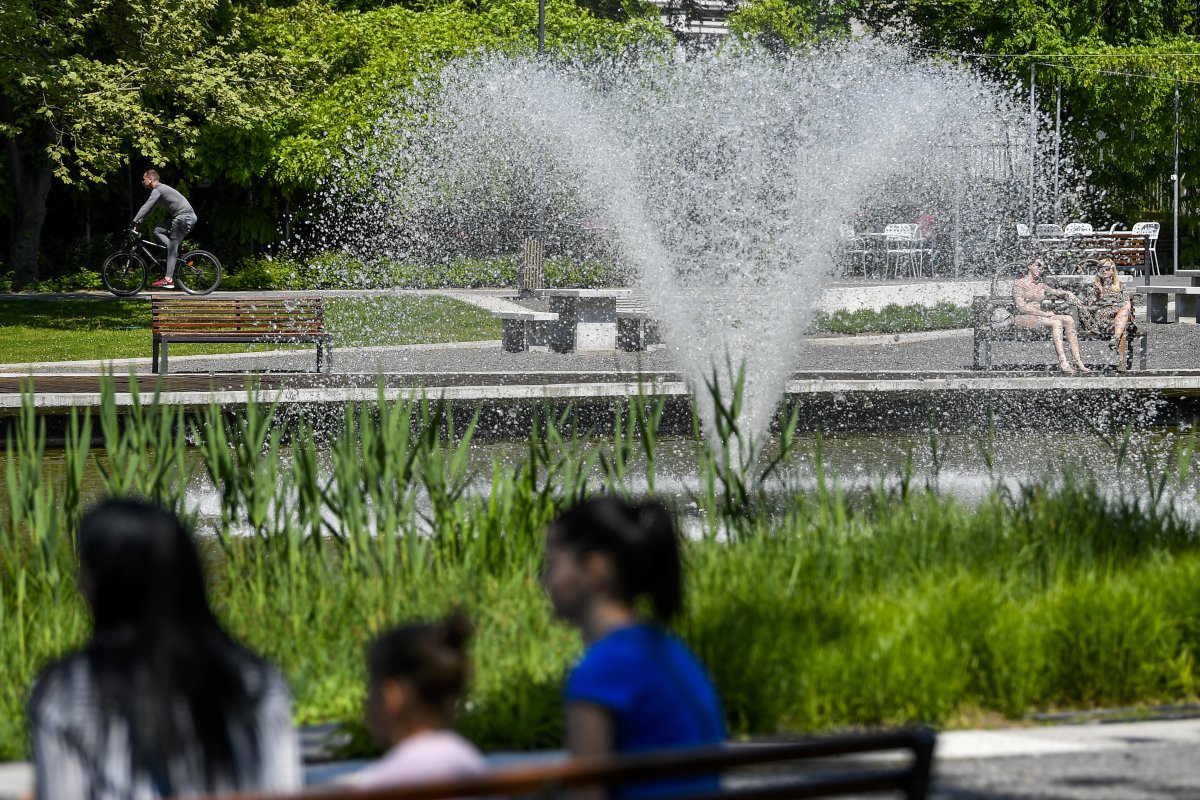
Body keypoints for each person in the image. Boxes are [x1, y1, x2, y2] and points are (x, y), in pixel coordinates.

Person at [28, 499, 301, 799]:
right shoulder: (255, 683)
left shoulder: (67, 692)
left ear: (103, 585)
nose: (80, 582)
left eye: (86, 569)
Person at [543, 496, 725, 799]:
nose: (546, 580)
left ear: (593, 569)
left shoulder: (604, 669)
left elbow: (586, 795)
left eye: (553, 564)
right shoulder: (670, 650)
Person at [351, 612, 488, 791]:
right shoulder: (471, 764)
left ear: (392, 696)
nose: (367, 702)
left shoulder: (382, 784)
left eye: (371, 689)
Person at [1012, 255, 1090, 374]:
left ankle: (1077, 360)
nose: (1041, 269)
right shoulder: (1019, 284)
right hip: (1024, 317)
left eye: (1043, 267)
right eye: (1038, 265)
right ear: (1029, 266)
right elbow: (1021, 307)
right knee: (1056, 322)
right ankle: (1063, 362)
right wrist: (1044, 313)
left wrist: (1068, 293)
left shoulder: (1040, 285)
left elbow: (1056, 292)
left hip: (1040, 316)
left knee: (1069, 319)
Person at [131, 170, 198, 290]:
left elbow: (145, 207)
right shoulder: (159, 191)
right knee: (157, 230)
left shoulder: (158, 190)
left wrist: (133, 221)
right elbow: (149, 210)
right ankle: (174, 251)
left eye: (144, 179)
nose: (142, 181)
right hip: (182, 217)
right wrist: (139, 223)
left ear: (150, 179)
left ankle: (168, 279)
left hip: (184, 217)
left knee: (171, 247)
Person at [1082, 257, 1136, 372]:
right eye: (1100, 268)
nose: (1104, 270)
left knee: (1123, 312)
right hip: (1104, 318)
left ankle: (1115, 340)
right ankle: (1121, 360)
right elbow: (1091, 307)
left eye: (1107, 268)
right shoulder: (1094, 286)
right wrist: (1098, 296)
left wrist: (1121, 308)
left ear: (1112, 270)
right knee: (1122, 325)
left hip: (1119, 317)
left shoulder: (1120, 285)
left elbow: (1127, 303)